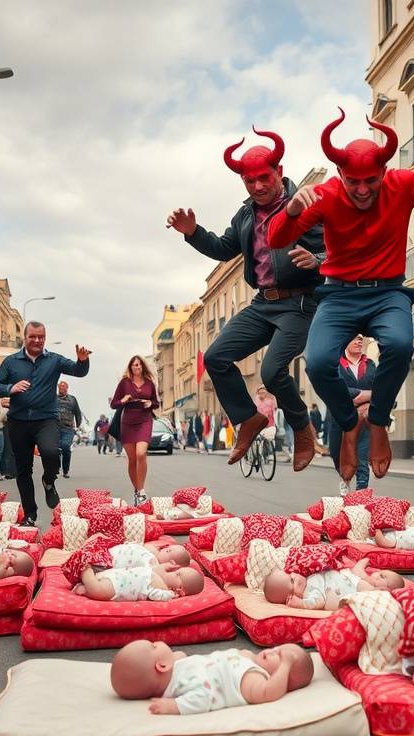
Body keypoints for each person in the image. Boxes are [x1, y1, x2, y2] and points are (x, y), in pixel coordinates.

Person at [268, 109, 414, 481]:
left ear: (384, 172)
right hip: (338, 296)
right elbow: (276, 240)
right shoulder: (322, 196)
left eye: (371, 180)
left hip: (388, 293)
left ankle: (378, 422)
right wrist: (291, 211)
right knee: (317, 362)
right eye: (353, 182)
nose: (363, 189)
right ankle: (350, 425)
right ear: (339, 176)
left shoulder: (401, 183)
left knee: (400, 345)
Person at [168, 128, 323, 472]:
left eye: (264, 178)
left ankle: (302, 428)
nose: (257, 186)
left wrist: (318, 261)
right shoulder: (245, 215)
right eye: (249, 181)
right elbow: (224, 249)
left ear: (279, 172)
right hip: (262, 304)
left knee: (271, 372)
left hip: (299, 302)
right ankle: (249, 420)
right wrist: (193, 232)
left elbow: (338, 249)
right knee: (216, 357)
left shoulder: (306, 203)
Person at [0, 322, 91, 524]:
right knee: (23, 469)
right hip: (18, 422)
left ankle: (49, 480)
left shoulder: (54, 360)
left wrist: (82, 360)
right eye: (32, 337)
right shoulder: (11, 362)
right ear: (24, 338)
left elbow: (78, 371)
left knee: (52, 452)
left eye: (41, 337)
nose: (37, 340)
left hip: (46, 420)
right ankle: (30, 514)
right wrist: (11, 387)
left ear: (45, 338)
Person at [110, 641, 315, 714]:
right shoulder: (250, 662)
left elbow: (268, 693)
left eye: (278, 656)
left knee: (180, 657)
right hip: (187, 670)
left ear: (283, 678)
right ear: (162, 666)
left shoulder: (253, 678)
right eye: (276, 648)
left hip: (193, 674)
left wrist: (175, 707)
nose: (271, 650)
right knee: (180, 657)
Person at [327, 336, 377, 494]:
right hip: (339, 418)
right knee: (337, 454)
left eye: (361, 339)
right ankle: (345, 478)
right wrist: (363, 394)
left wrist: (364, 397)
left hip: (364, 418)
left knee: (362, 458)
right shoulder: (335, 364)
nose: (359, 341)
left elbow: (381, 388)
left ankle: (361, 496)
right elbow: (335, 388)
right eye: (354, 339)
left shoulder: (370, 364)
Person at [110, 356, 159, 506]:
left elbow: (156, 403)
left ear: (143, 367)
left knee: (141, 453)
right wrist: (123, 400)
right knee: (132, 459)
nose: (137, 367)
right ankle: (137, 491)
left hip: (144, 420)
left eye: (139, 365)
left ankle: (142, 491)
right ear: (130, 367)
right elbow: (114, 404)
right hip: (128, 422)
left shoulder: (150, 384)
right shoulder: (124, 383)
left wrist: (150, 403)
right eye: (134, 365)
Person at [263, 558, 404, 609]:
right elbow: (317, 602)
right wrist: (301, 604)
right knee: (367, 587)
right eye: (292, 582)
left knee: (359, 575)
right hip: (351, 590)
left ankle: (361, 570)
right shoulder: (310, 592)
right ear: (292, 596)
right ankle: (386, 594)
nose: (294, 576)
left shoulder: (309, 580)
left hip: (346, 578)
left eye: (290, 575)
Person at [73, 564, 203, 602]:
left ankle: (85, 571)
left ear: (179, 590)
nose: (174, 571)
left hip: (120, 587)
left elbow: (156, 595)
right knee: (98, 583)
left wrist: (170, 595)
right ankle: (87, 580)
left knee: (99, 591)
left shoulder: (165, 592)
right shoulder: (158, 576)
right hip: (119, 575)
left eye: (177, 574)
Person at [57, 381, 83, 479]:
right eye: (60, 387)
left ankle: (66, 470)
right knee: (55, 448)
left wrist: (78, 425)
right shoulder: (53, 398)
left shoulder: (72, 399)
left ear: (67, 388)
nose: (61, 389)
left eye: (63, 387)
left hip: (68, 428)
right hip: (55, 427)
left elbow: (77, 413)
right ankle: (56, 467)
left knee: (65, 446)